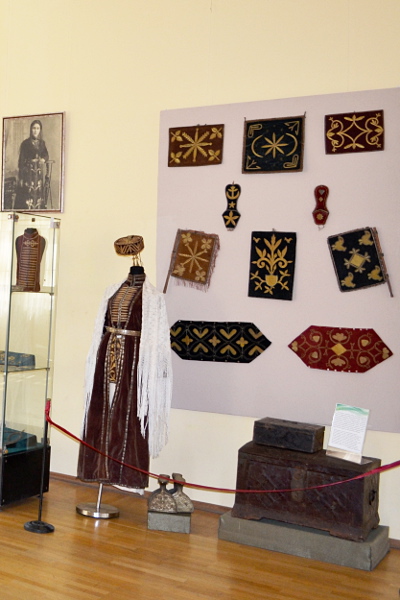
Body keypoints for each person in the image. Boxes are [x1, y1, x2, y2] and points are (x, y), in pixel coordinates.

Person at [78, 237, 173, 493]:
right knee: (101, 411)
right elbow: (100, 326)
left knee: (128, 414)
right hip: (106, 356)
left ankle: (124, 475)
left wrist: (154, 373)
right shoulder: (112, 290)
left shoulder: (153, 298)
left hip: (133, 361)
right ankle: (97, 469)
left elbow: (158, 341)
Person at [16, 119, 49, 210]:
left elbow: (46, 155)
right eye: (34, 128)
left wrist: (43, 159)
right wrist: (21, 177)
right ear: (31, 129)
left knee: (38, 199)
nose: (35, 131)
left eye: (37, 128)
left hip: (38, 175)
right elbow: (21, 161)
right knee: (27, 198)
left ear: (40, 130)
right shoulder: (25, 143)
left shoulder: (42, 143)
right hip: (28, 174)